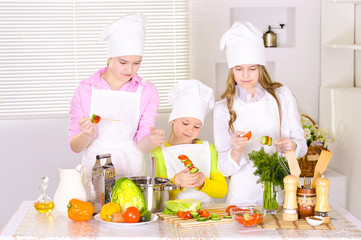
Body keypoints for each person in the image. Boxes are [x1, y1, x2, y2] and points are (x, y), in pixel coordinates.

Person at [68, 13, 164, 198]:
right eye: (123, 62)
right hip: (96, 167)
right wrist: (87, 134)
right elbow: (75, 146)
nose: (130, 70)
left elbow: (142, 144)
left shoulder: (147, 91)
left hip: (132, 167)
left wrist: (152, 140)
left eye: (137, 63)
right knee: (98, 214)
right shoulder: (86, 89)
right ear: (110, 57)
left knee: (132, 217)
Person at [213, 22, 307, 205]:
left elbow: (302, 146)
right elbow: (224, 169)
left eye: (252, 68)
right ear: (231, 70)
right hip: (242, 198)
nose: (245, 75)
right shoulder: (223, 109)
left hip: (279, 192)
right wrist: (237, 149)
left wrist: (293, 144)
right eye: (239, 69)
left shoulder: (282, 97)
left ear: (261, 68)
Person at [151, 80, 228, 204]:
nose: (190, 130)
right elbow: (158, 198)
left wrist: (203, 182)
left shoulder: (208, 149)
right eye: (185, 123)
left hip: (206, 212)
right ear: (172, 120)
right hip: (175, 214)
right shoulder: (159, 153)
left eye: (196, 126)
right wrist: (176, 182)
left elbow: (222, 191)